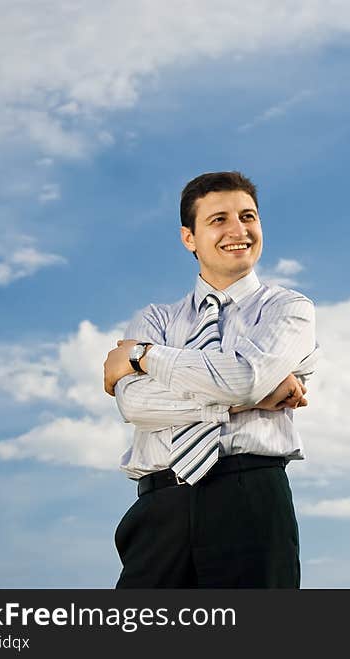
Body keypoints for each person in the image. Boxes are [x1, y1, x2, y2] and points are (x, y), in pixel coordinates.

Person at [103, 171, 318, 588]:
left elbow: (245, 379)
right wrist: (252, 396)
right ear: (189, 238)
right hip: (161, 503)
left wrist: (144, 357)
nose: (238, 230)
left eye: (248, 216)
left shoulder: (287, 309)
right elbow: (135, 404)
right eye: (219, 219)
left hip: (251, 497)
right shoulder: (155, 318)